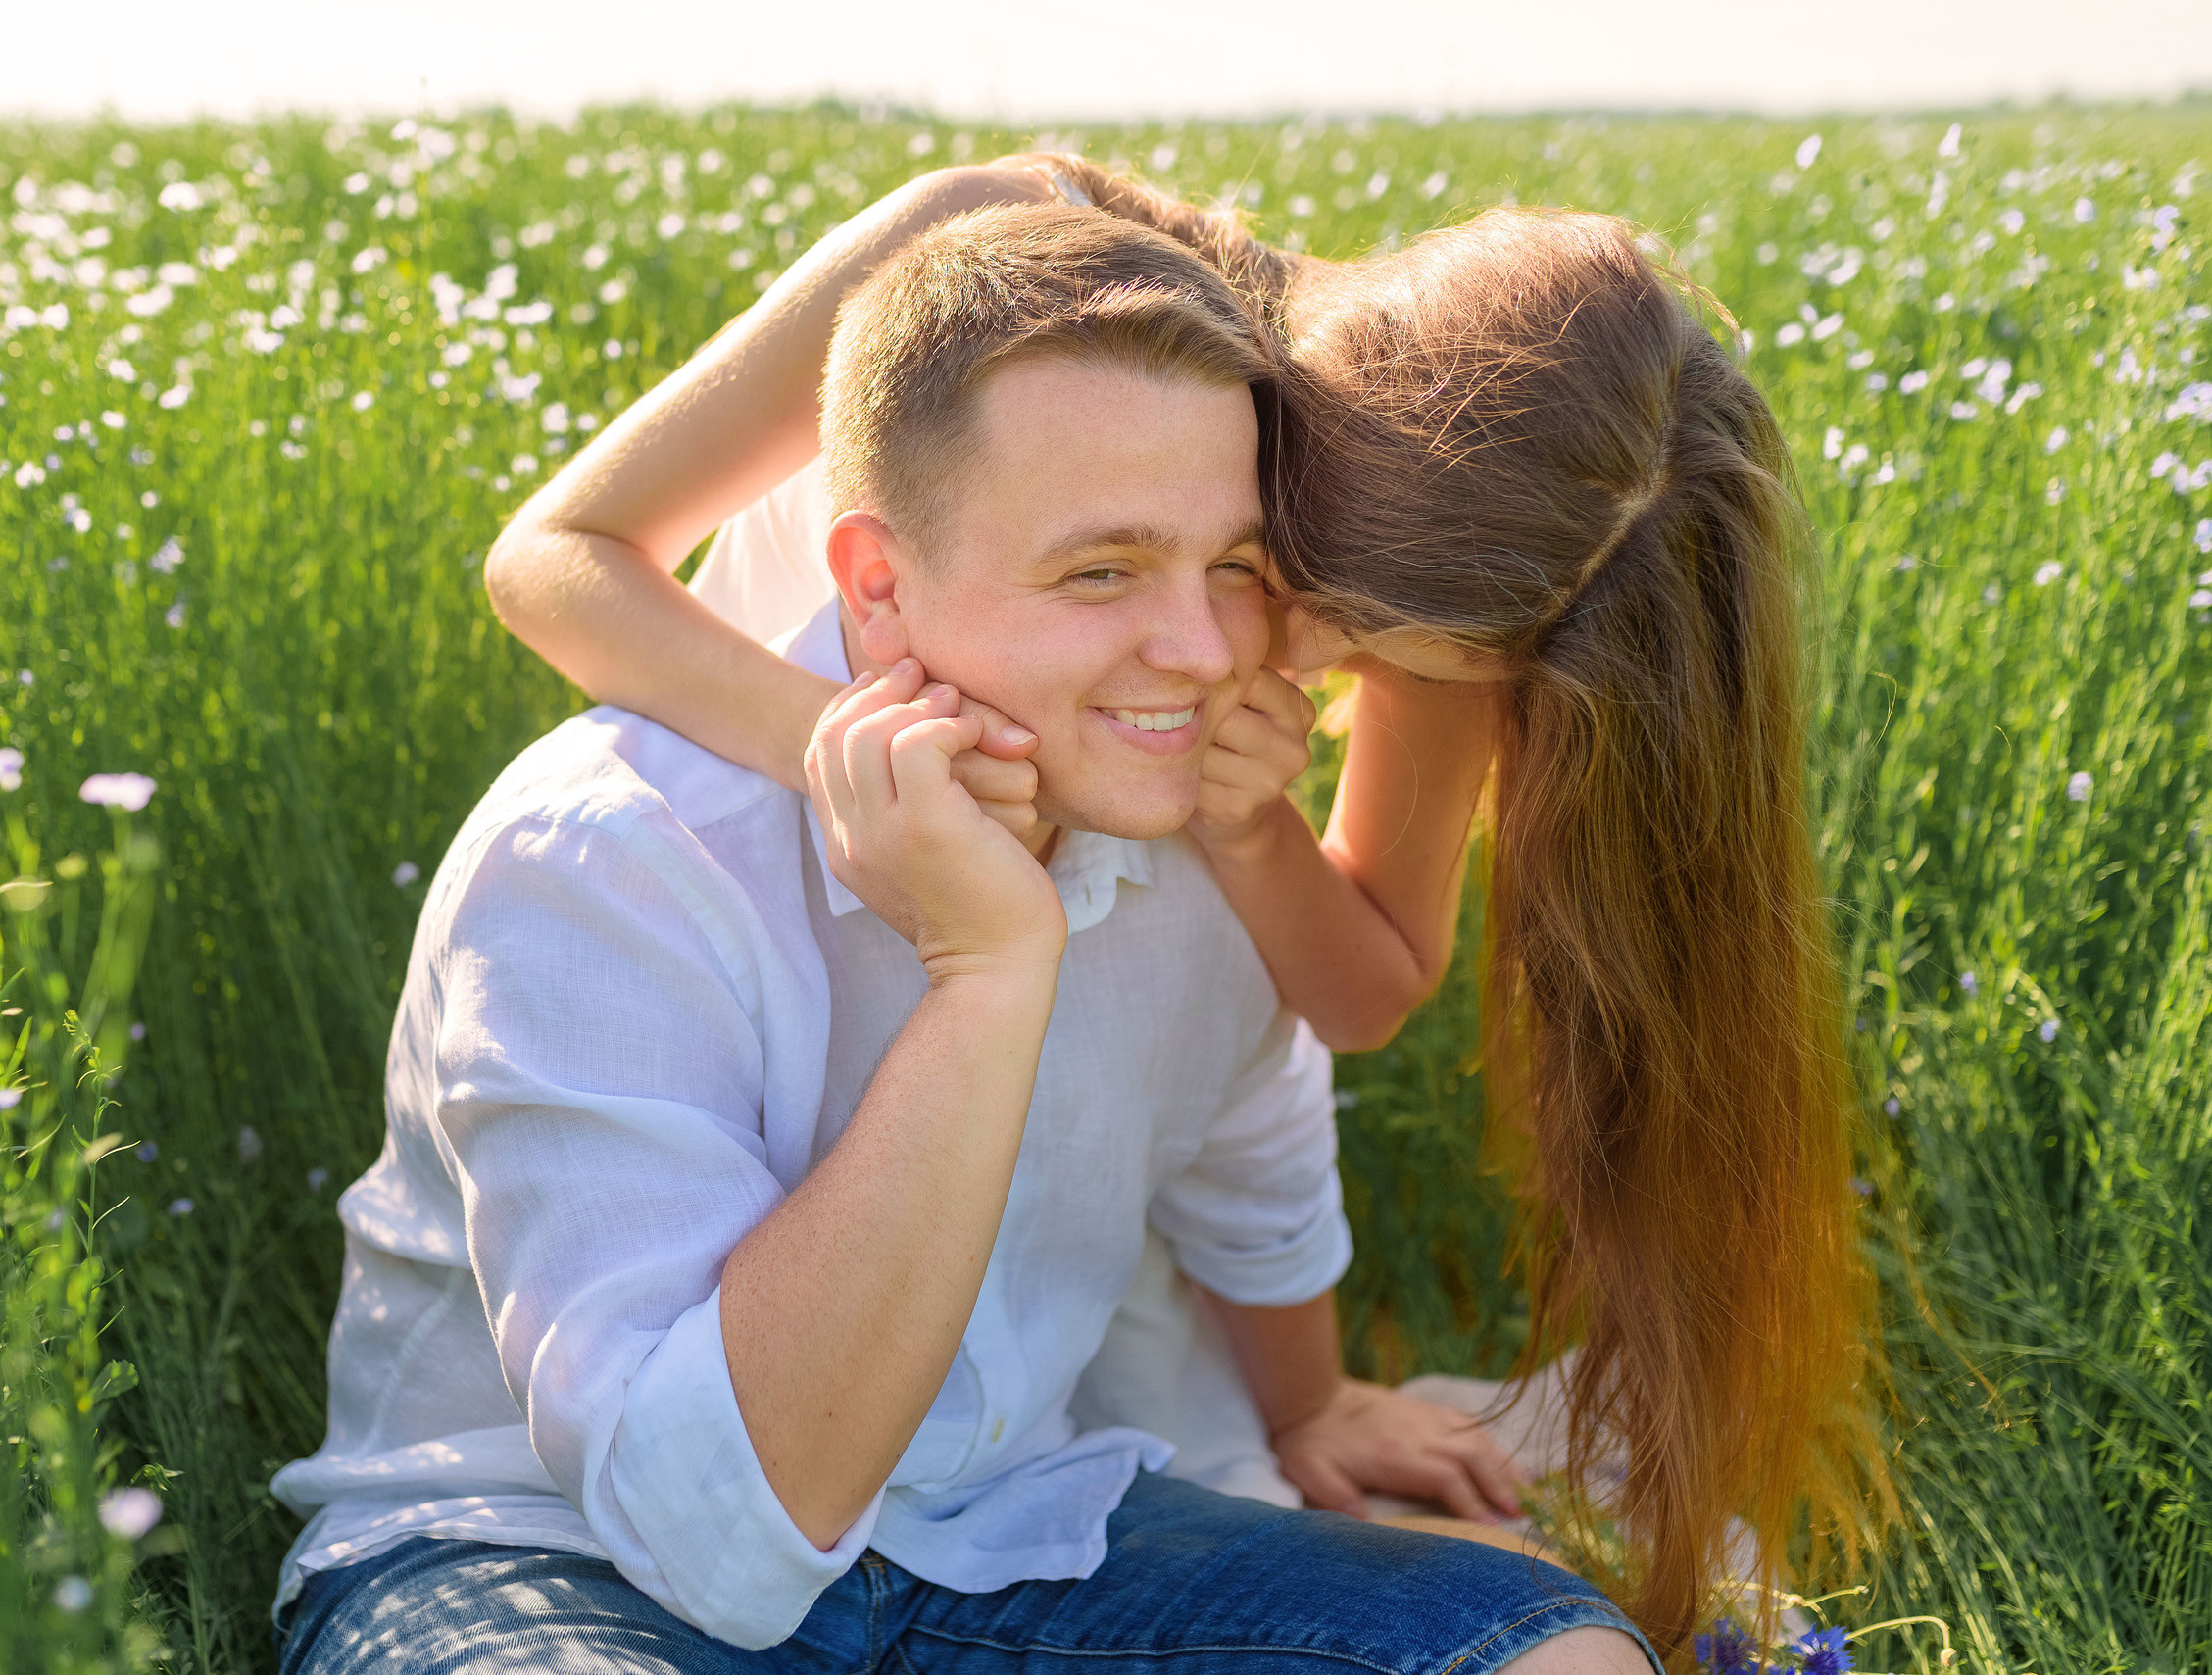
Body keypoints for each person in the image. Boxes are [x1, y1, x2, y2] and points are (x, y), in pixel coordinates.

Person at [484, 156, 1881, 1650]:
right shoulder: (999, 259)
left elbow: (1356, 989)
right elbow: (556, 558)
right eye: (1306, 595)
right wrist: (874, 768)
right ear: (1319, 464)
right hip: (764, 966)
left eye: (1362, 653)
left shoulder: (1488, 572)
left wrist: (1259, 827)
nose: (1254, 657)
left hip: (1061, 1099)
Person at [271, 202, 1651, 1675]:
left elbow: (1256, 1134)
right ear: (874, 585)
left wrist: (1309, 1408)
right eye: (1103, 572)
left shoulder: (1194, 819)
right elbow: (717, 1537)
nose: (1198, 655)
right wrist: (988, 960)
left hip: (1005, 1536)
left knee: (1557, 1653)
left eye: (1239, 572)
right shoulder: (604, 857)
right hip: (547, 1557)